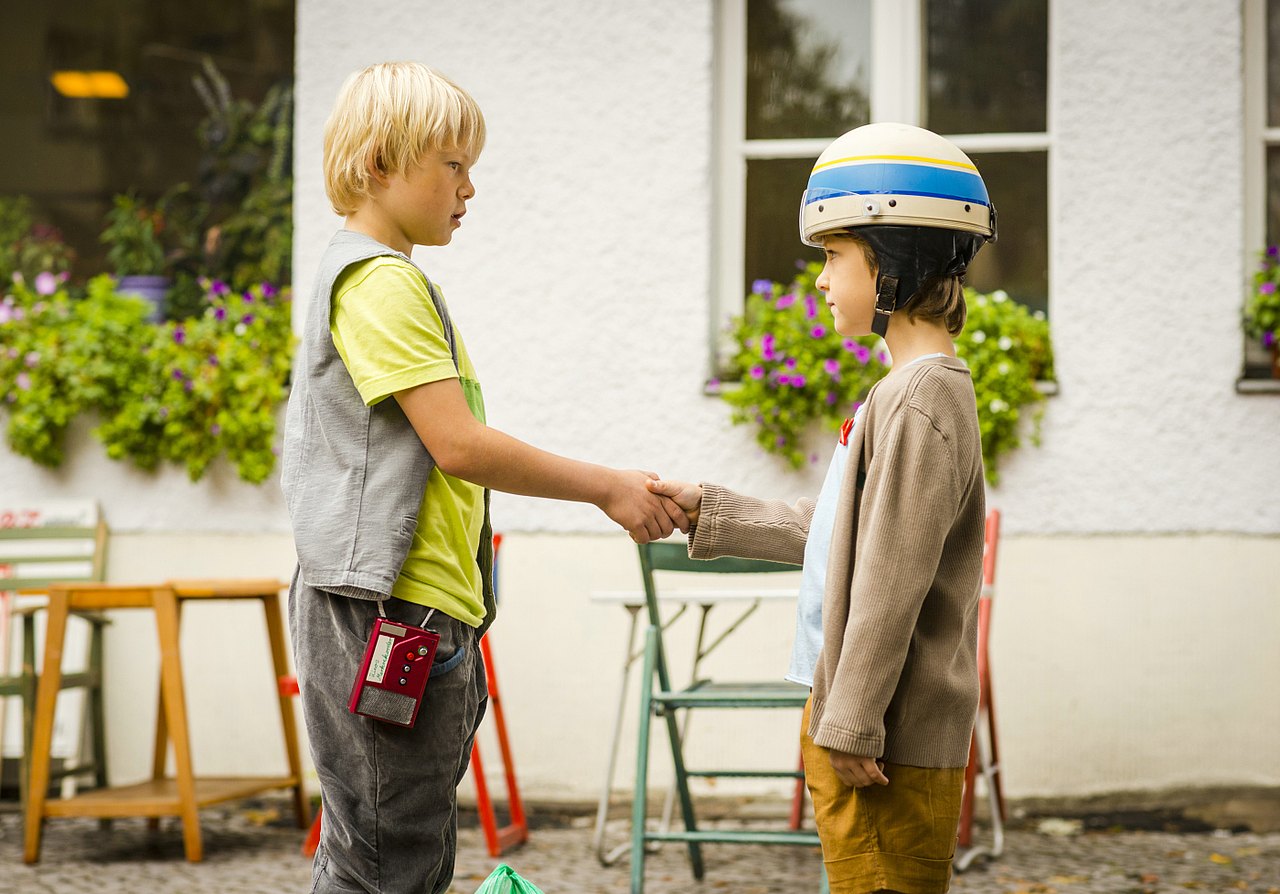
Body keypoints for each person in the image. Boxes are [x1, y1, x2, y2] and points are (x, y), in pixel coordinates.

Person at [281, 62, 686, 894]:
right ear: (379, 164)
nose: (470, 187)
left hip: (413, 616)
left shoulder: (389, 280)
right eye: (453, 164)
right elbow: (457, 445)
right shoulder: (378, 283)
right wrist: (608, 486)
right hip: (387, 617)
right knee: (389, 867)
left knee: (385, 860)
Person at [648, 122, 997, 894]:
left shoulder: (920, 400)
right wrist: (711, 511)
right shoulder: (903, 393)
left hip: (885, 743)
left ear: (896, 263)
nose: (819, 278)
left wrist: (849, 720)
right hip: (866, 728)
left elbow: (891, 580)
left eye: (835, 257)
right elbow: (843, 537)